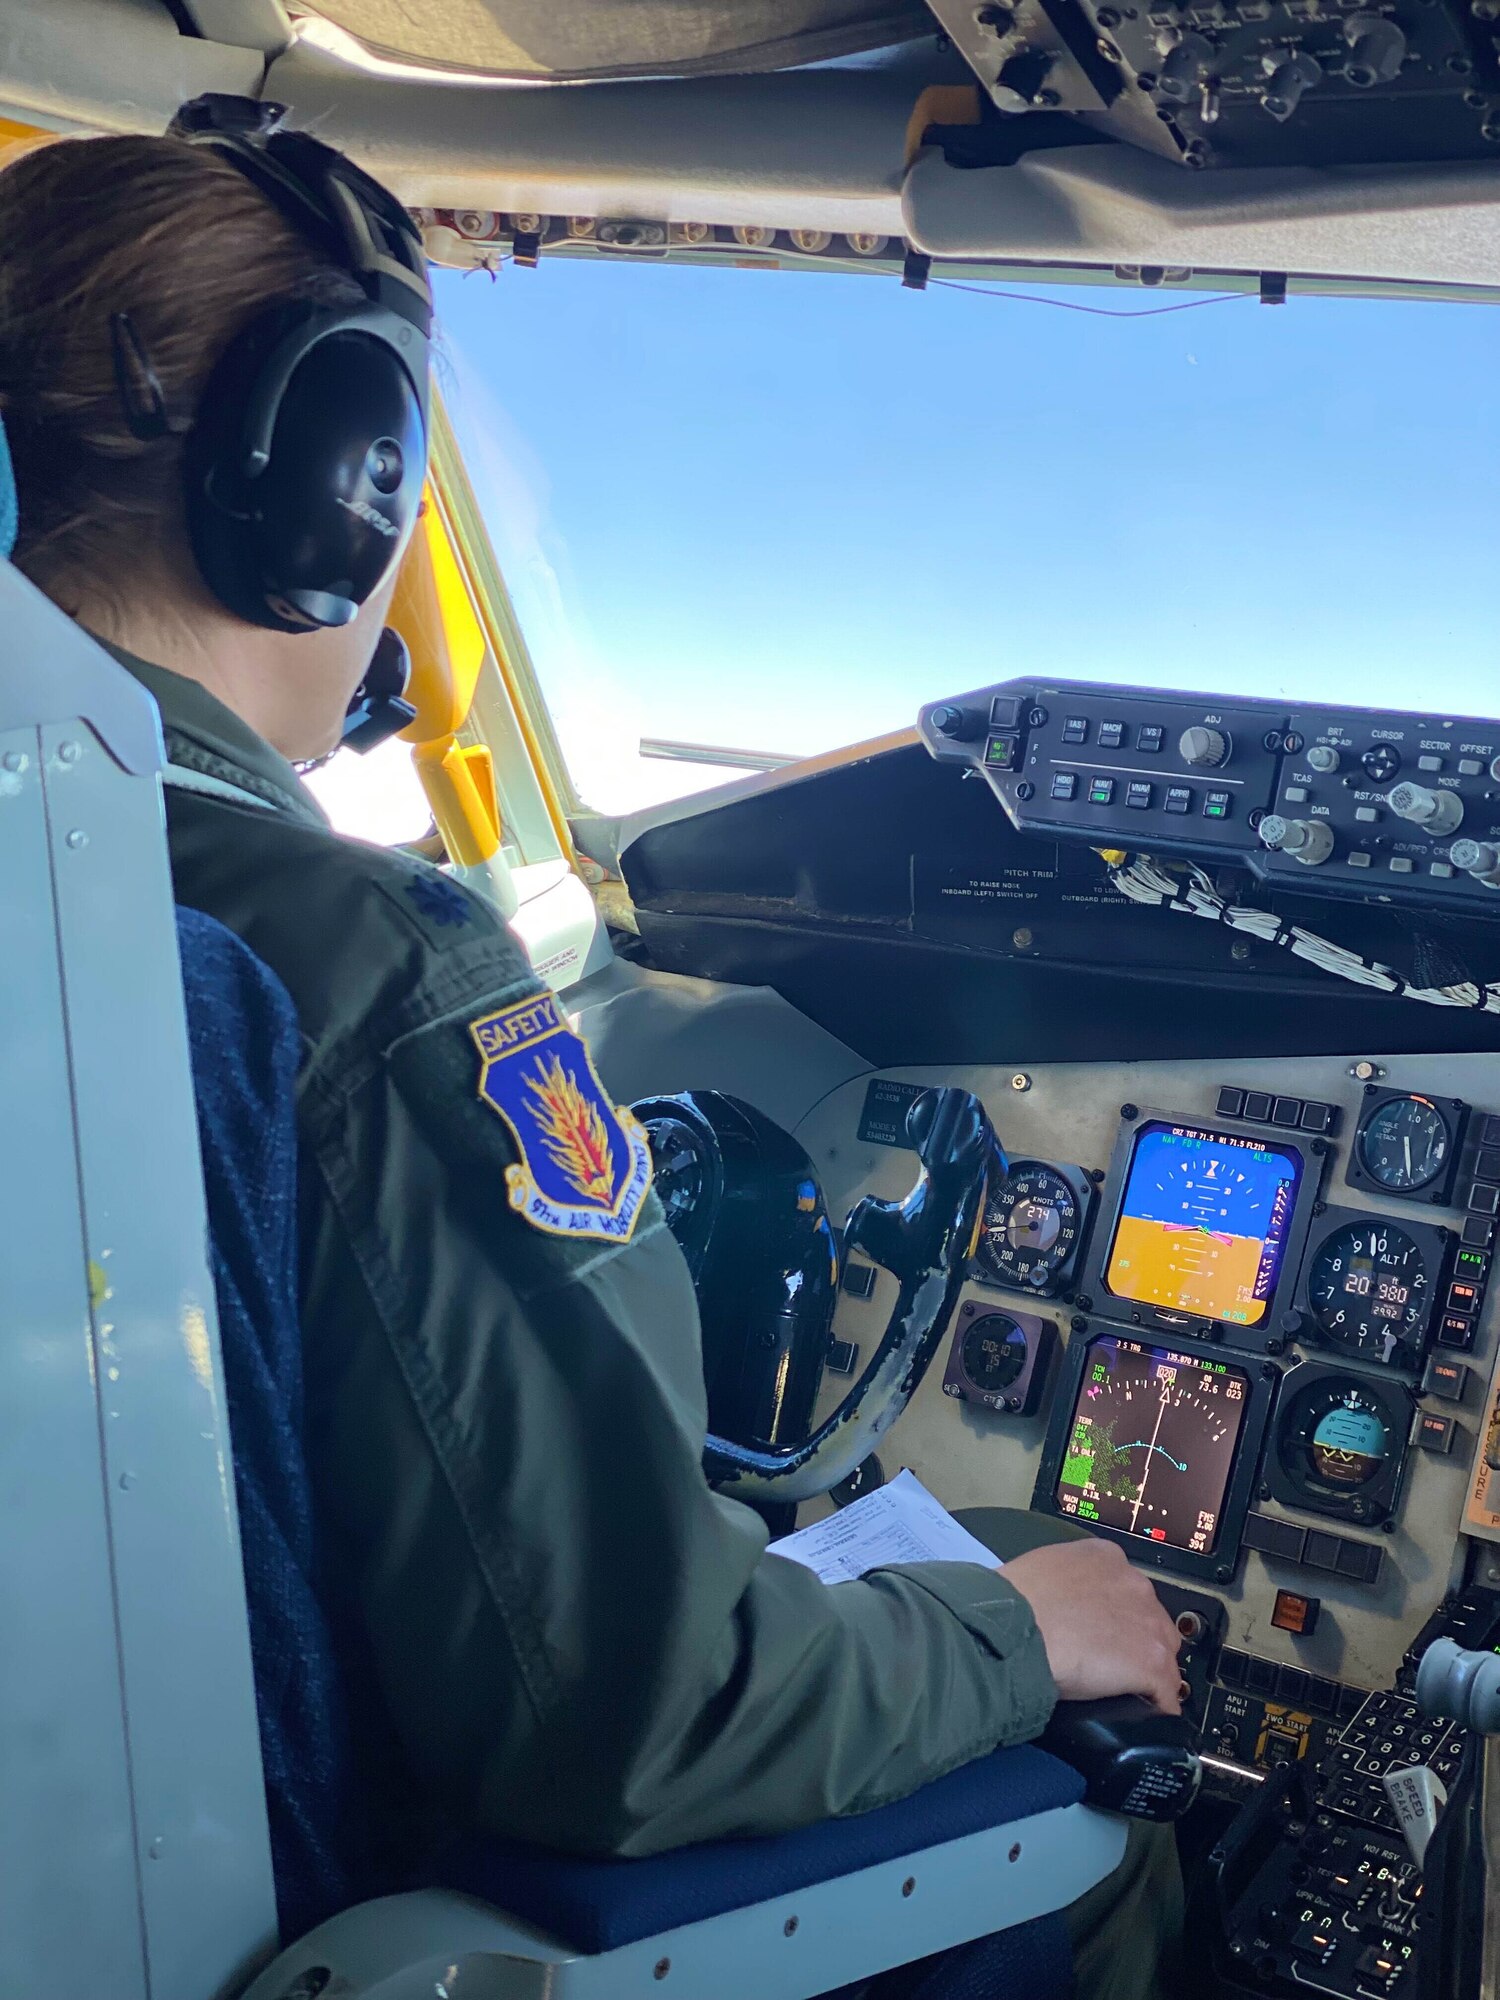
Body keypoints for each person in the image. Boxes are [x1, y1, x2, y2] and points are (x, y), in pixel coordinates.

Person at [0, 105, 1185, 1999]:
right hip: (357, 1916)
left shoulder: (83, 895)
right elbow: (635, 1720)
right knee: (1094, 1786)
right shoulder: (353, 957)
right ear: (333, 489)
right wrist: (1012, 1641)